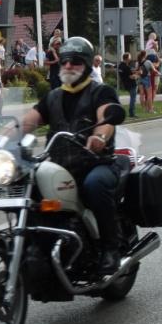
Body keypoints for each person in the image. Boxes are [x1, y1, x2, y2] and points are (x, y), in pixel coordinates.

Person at [20, 37, 123, 275]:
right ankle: (34, 246)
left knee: (95, 185)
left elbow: (106, 118)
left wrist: (100, 137)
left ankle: (111, 247)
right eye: (65, 61)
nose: (68, 65)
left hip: (96, 163)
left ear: (86, 64)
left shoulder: (101, 91)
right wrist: (2, 137)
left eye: (75, 61)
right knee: (26, 184)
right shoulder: (53, 96)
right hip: (61, 167)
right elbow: (28, 121)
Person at [117, 52, 137, 118]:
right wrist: (137, 75)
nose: (130, 58)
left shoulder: (120, 66)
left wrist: (133, 72)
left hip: (125, 84)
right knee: (133, 99)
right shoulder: (126, 67)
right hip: (132, 84)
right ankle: (132, 113)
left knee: (132, 98)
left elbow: (124, 74)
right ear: (127, 58)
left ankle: (131, 112)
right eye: (130, 57)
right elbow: (131, 77)